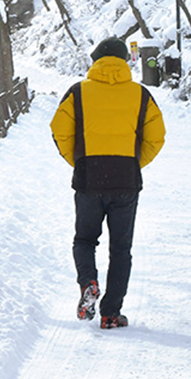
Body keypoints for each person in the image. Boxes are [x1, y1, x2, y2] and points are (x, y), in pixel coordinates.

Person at [50, 38, 166, 329]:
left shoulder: (78, 93)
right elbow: (156, 137)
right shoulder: (141, 95)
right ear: (124, 61)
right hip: (126, 180)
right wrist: (133, 162)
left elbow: (59, 132)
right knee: (121, 248)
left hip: (89, 178)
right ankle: (111, 313)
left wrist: (79, 161)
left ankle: (88, 281)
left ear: (97, 61)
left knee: (85, 240)